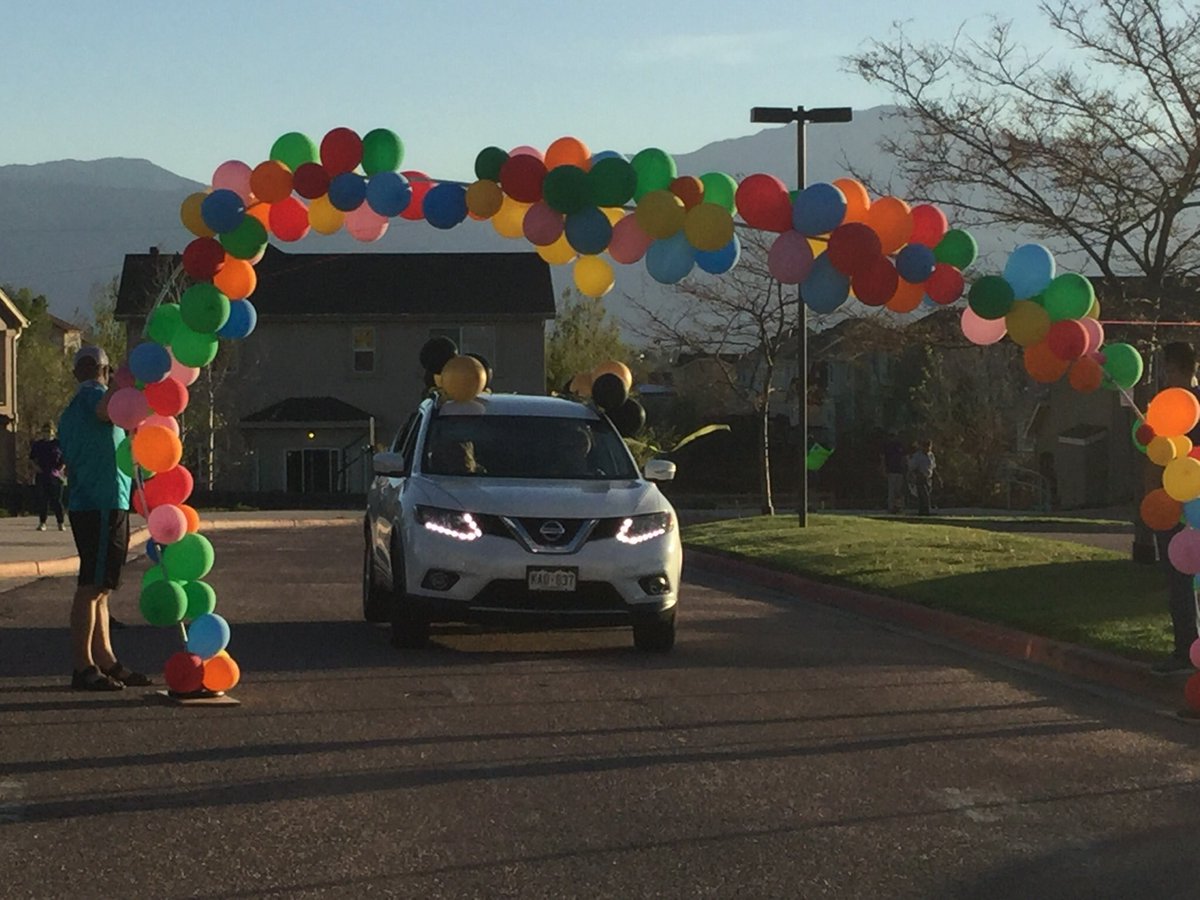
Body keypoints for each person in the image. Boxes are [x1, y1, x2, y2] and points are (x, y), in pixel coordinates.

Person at [57, 346, 150, 691]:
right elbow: (105, 410)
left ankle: (106, 659)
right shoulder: (94, 400)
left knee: (102, 587)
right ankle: (83, 666)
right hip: (100, 503)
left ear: (75, 372)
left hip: (98, 502)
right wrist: (126, 379)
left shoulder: (70, 410)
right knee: (91, 586)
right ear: (104, 371)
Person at [1150, 342, 1200, 675]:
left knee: (1182, 579)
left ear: (1181, 368)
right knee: (1179, 579)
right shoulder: (1165, 404)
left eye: (1167, 369)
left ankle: (1186, 652)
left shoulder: (1184, 406)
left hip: (1189, 503)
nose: (1165, 376)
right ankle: (1186, 649)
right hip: (1171, 502)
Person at [29, 422, 66, 531]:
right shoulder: (38, 445)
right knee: (43, 500)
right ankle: (42, 522)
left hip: (56, 476)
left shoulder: (59, 444)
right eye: (45, 431)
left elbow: (65, 459)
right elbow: (31, 459)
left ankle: (60, 522)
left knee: (56, 500)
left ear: (53, 432)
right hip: (42, 475)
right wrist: (36, 468)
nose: (47, 434)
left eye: (49, 431)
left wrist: (61, 469)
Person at [908, 439, 937, 516]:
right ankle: (927, 511)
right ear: (922, 447)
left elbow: (933, 467)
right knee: (924, 495)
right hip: (920, 477)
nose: (928, 449)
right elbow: (912, 467)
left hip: (928, 478)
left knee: (924, 495)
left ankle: (921, 512)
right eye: (926, 447)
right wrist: (915, 475)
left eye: (929, 447)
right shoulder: (917, 456)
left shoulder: (931, 455)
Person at [882, 431, 907, 514]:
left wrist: (905, 468)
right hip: (891, 470)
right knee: (891, 490)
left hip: (899, 470)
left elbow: (904, 457)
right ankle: (891, 507)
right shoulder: (887, 446)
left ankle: (899, 507)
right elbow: (883, 458)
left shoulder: (899, 445)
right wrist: (884, 469)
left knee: (899, 491)